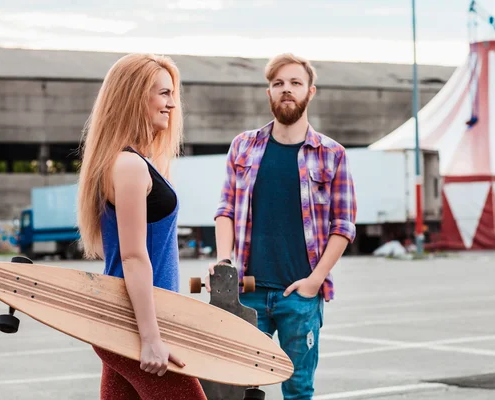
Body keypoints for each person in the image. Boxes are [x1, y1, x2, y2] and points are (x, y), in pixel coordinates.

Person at [209, 53, 357, 399]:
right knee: (238, 387)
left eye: (294, 83)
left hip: (300, 296)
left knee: (299, 389)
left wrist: (314, 282)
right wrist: (223, 261)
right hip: (247, 294)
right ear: (269, 93)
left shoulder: (331, 154)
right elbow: (225, 209)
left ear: (310, 91)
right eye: (278, 84)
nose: (286, 90)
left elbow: (344, 225)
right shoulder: (243, 146)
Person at [76, 53, 206, 400]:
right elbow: (133, 257)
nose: (172, 104)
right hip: (135, 328)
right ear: (135, 96)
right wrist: (151, 339)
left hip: (121, 323)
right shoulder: (130, 165)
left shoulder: (124, 161)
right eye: (164, 93)